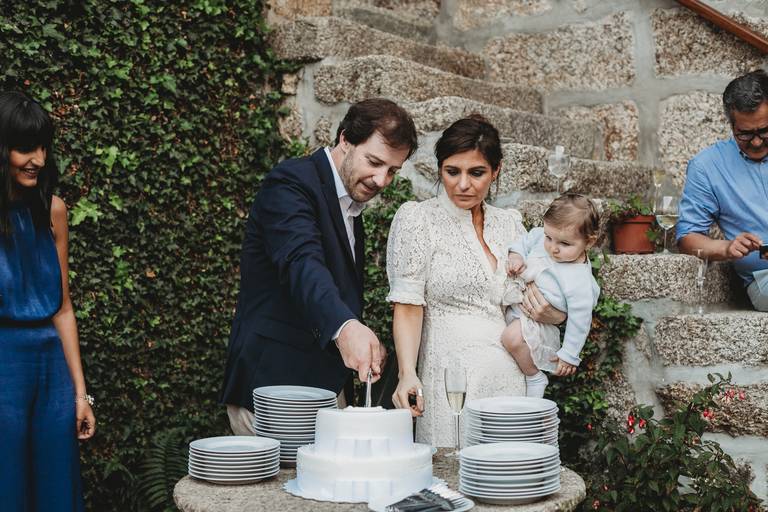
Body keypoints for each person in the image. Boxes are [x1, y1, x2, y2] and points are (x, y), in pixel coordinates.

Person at [220, 98, 418, 435]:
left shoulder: (350, 200)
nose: (382, 180)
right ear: (345, 139)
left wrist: (360, 335)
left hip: (325, 392)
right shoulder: (290, 183)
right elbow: (301, 263)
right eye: (374, 162)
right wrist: (346, 328)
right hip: (276, 389)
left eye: (393, 171)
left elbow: (331, 286)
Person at [387, 115, 566, 447]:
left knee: (508, 478)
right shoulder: (418, 219)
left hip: (510, 378)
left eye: (477, 173)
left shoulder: (510, 224)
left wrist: (557, 315)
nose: (463, 184)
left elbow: (543, 294)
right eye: (452, 172)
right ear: (439, 169)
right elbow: (408, 305)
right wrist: (407, 373)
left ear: (495, 171)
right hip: (450, 379)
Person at [0, 91, 95, 510]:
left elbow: (63, 308)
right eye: (25, 147)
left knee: (56, 487)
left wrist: (80, 394)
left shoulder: (54, 210)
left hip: (51, 370)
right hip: (4, 369)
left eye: (42, 147)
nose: (37, 158)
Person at [677, 69, 768, 310]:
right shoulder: (706, 166)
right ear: (731, 123)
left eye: (764, 131)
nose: (757, 142)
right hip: (764, 279)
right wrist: (726, 248)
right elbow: (688, 236)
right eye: (745, 134)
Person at [501, 193, 601, 398]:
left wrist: (569, 355)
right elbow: (525, 240)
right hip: (516, 306)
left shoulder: (579, 280)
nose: (553, 248)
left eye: (564, 244)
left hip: (537, 322)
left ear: (589, 242)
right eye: (549, 238)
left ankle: (534, 376)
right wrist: (516, 256)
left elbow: (580, 321)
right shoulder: (542, 236)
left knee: (511, 338)